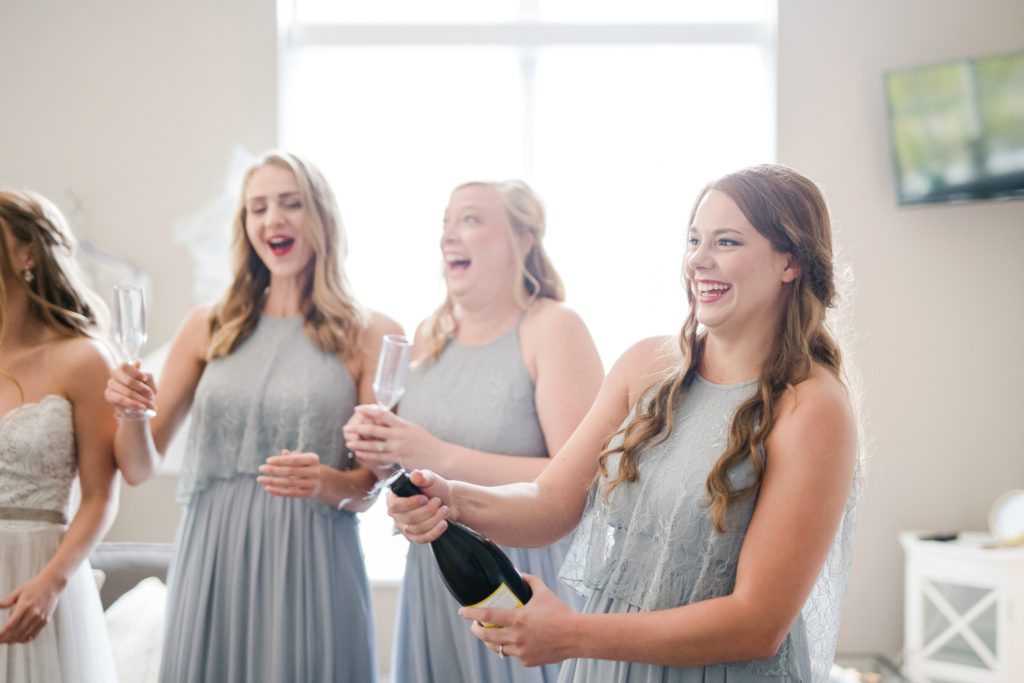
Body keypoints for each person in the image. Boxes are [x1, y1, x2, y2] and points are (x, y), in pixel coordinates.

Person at [388, 164, 861, 683]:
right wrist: (451, 497)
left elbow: (757, 623)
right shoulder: (644, 367)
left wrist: (573, 633)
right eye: (694, 240)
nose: (698, 260)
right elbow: (550, 502)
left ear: (790, 262)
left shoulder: (812, 409)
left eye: (726, 242)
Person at [104, 151, 401, 682]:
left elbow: (371, 487)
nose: (273, 220)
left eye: (291, 203)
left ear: (323, 216)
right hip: (211, 553)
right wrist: (130, 412)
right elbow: (137, 466)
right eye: (258, 208)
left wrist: (325, 481)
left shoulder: (370, 332)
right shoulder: (208, 325)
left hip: (311, 554)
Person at [344, 180, 604, 683]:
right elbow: (410, 465)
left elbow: (581, 478)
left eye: (469, 219)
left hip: (517, 569)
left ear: (524, 237)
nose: (448, 235)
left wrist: (434, 452)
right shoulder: (429, 334)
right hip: (434, 574)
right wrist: (381, 453)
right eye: (446, 222)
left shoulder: (554, 327)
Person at [0, 190, 119, 682]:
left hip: (39, 578)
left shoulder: (83, 358)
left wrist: (52, 582)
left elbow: (100, 496)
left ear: (27, 254)